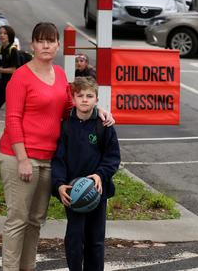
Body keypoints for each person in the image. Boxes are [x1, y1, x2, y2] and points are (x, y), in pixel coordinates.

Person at [0, 22, 114, 271]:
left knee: (36, 220)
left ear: (58, 45)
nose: (46, 45)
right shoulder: (21, 76)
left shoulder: (60, 75)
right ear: (33, 45)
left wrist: (98, 110)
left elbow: (70, 108)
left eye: (51, 41)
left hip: (48, 158)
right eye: (41, 40)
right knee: (18, 220)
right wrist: (22, 159)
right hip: (20, 157)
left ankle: (27, 267)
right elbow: (12, 119)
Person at [52, 77, 121, 271]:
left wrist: (100, 174)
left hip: (97, 191)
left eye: (89, 96)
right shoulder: (65, 126)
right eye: (80, 96)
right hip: (74, 191)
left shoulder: (104, 125)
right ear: (73, 99)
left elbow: (113, 157)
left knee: (96, 240)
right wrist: (59, 184)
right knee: (74, 238)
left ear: (96, 99)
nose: (84, 99)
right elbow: (58, 159)